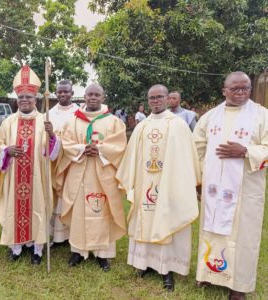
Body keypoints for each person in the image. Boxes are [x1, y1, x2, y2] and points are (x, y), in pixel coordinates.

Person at [116, 84, 200, 291]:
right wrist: (129, 180)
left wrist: (188, 182)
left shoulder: (178, 125)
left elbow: (187, 157)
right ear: (147, 100)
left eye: (159, 97)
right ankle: (145, 264)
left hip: (170, 184)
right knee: (146, 218)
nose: (155, 101)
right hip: (145, 183)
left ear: (167, 98)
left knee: (167, 219)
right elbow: (131, 156)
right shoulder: (142, 126)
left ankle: (166, 269)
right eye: (151, 98)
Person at [194, 71, 268, 300]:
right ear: (224, 90)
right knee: (211, 229)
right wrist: (198, 179)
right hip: (214, 187)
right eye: (235, 88)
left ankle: (239, 286)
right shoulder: (210, 116)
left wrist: (245, 151)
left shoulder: (262, 115)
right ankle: (208, 273)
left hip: (245, 188)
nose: (241, 93)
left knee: (243, 236)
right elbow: (196, 147)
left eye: (245, 88)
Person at [55, 83, 127, 272]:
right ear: (84, 97)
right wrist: (81, 149)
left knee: (102, 212)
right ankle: (78, 251)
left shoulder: (113, 122)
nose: (93, 98)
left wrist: (100, 149)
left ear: (103, 98)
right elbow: (66, 143)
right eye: (89, 95)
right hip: (79, 172)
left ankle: (103, 255)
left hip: (103, 174)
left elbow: (120, 146)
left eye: (96, 95)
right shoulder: (74, 121)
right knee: (79, 212)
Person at [0, 65, 59, 265]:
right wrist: (6, 150)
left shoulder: (45, 121)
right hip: (14, 176)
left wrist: (51, 136)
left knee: (38, 207)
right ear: (16, 101)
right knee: (14, 209)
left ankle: (37, 248)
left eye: (28, 97)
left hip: (38, 176)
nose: (24, 100)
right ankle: (16, 247)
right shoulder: (8, 122)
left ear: (36, 100)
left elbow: (54, 151)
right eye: (21, 97)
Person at [49, 80, 79, 248]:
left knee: (71, 195)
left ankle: (72, 233)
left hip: (72, 161)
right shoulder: (49, 113)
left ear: (72, 93)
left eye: (66, 92)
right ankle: (58, 236)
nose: (62, 94)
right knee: (57, 198)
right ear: (55, 93)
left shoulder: (79, 113)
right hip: (55, 161)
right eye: (59, 92)